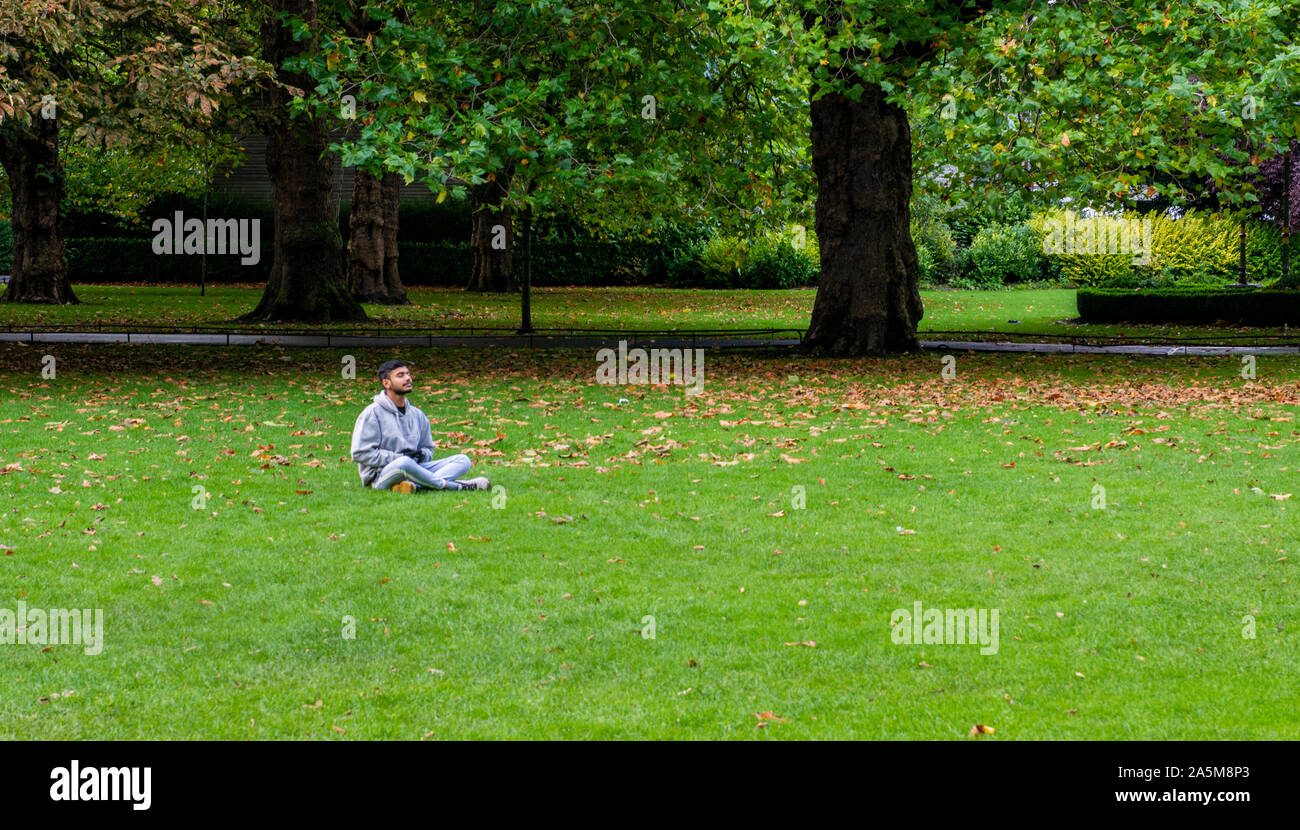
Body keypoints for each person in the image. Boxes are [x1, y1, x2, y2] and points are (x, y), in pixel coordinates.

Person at [350, 359, 490, 493]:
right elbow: (360, 453)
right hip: (381, 476)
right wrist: (397, 457)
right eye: (401, 375)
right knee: (404, 462)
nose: (408, 378)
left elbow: (428, 448)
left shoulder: (417, 414)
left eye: (408, 374)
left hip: (415, 468)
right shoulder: (372, 413)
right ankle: (456, 486)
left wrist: (421, 455)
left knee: (463, 460)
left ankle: (414, 486)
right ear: (386, 383)